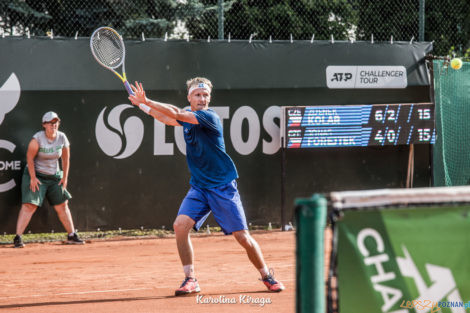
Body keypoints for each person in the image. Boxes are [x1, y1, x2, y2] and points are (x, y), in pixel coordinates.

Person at [128, 78, 285, 296]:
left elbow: (176, 113)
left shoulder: (209, 117)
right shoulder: (186, 115)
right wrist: (142, 105)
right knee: (180, 226)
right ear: (189, 97)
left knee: (243, 238)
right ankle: (190, 279)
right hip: (200, 187)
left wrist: (148, 100)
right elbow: (166, 118)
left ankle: (267, 275)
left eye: (205, 95)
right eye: (198, 95)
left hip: (222, 187)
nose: (202, 99)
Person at [13, 111, 84, 248]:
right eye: (50, 123)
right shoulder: (37, 139)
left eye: (56, 122)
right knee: (30, 205)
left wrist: (65, 177)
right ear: (44, 125)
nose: (54, 125)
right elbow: (29, 158)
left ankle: (71, 235)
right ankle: (18, 237)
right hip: (36, 174)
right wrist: (33, 178)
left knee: (63, 205)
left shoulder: (62, 137)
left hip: (54, 176)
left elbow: (65, 158)